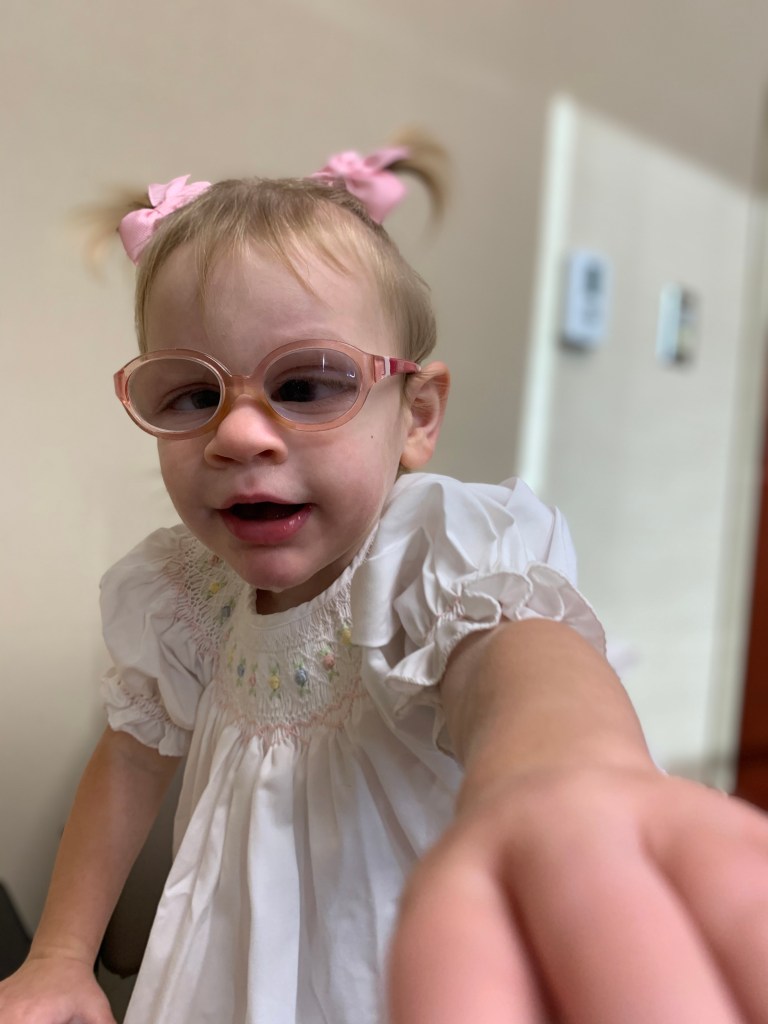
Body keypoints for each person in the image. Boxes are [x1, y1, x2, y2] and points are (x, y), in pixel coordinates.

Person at [1, 136, 766, 1024]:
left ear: (417, 417)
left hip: (399, 975)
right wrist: (61, 955)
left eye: (307, 385)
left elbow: (513, 654)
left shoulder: (421, 555)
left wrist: (562, 770)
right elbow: (134, 755)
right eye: (193, 397)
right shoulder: (187, 593)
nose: (237, 436)